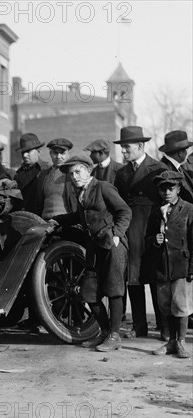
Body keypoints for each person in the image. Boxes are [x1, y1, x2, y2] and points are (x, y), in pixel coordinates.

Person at [49, 155, 131, 352]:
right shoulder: (81, 193)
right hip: (95, 246)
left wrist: (117, 234)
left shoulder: (103, 187)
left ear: (88, 170)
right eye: (71, 174)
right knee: (89, 292)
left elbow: (124, 211)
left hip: (112, 245)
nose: (74, 177)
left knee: (114, 289)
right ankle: (103, 332)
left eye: (78, 172)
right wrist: (57, 220)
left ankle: (114, 335)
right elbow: (78, 217)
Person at [113, 126, 166, 338]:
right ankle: (139, 325)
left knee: (155, 277)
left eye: (127, 147)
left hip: (151, 228)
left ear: (141, 146)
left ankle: (163, 326)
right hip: (130, 228)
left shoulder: (157, 169)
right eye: (122, 148)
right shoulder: (122, 173)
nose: (123, 152)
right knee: (133, 277)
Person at [147, 171, 193, 358]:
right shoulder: (155, 210)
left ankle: (181, 342)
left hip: (181, 265)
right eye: (162, 188)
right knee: (165, 305)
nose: (166, 192)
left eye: (170, 188)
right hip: (161, 266)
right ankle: (171, 341)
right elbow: (146, 237)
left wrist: (192, 268)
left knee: (180, 305)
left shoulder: (189, 209)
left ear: (179, 188)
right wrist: (154, 241)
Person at [33, 138, 73, 220]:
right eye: (55, 153)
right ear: (50, 154)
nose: (58, 156)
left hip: (68, 223)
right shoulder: (43, 175)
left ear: (68, 154)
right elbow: (37, 203)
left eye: (62, 153)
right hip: (45, 222)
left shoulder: (74, 174)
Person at [157, 130, 193, 203]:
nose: (187, 153)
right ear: (180, 153)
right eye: (186, 150)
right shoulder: (165, 170)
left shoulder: (178, 167)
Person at [14, 133, 43, 213]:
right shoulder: (18, 175)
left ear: (39, 152)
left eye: (28, 151)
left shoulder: (46, 171)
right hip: (24, 218)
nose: (25, 155)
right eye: (23, 152)